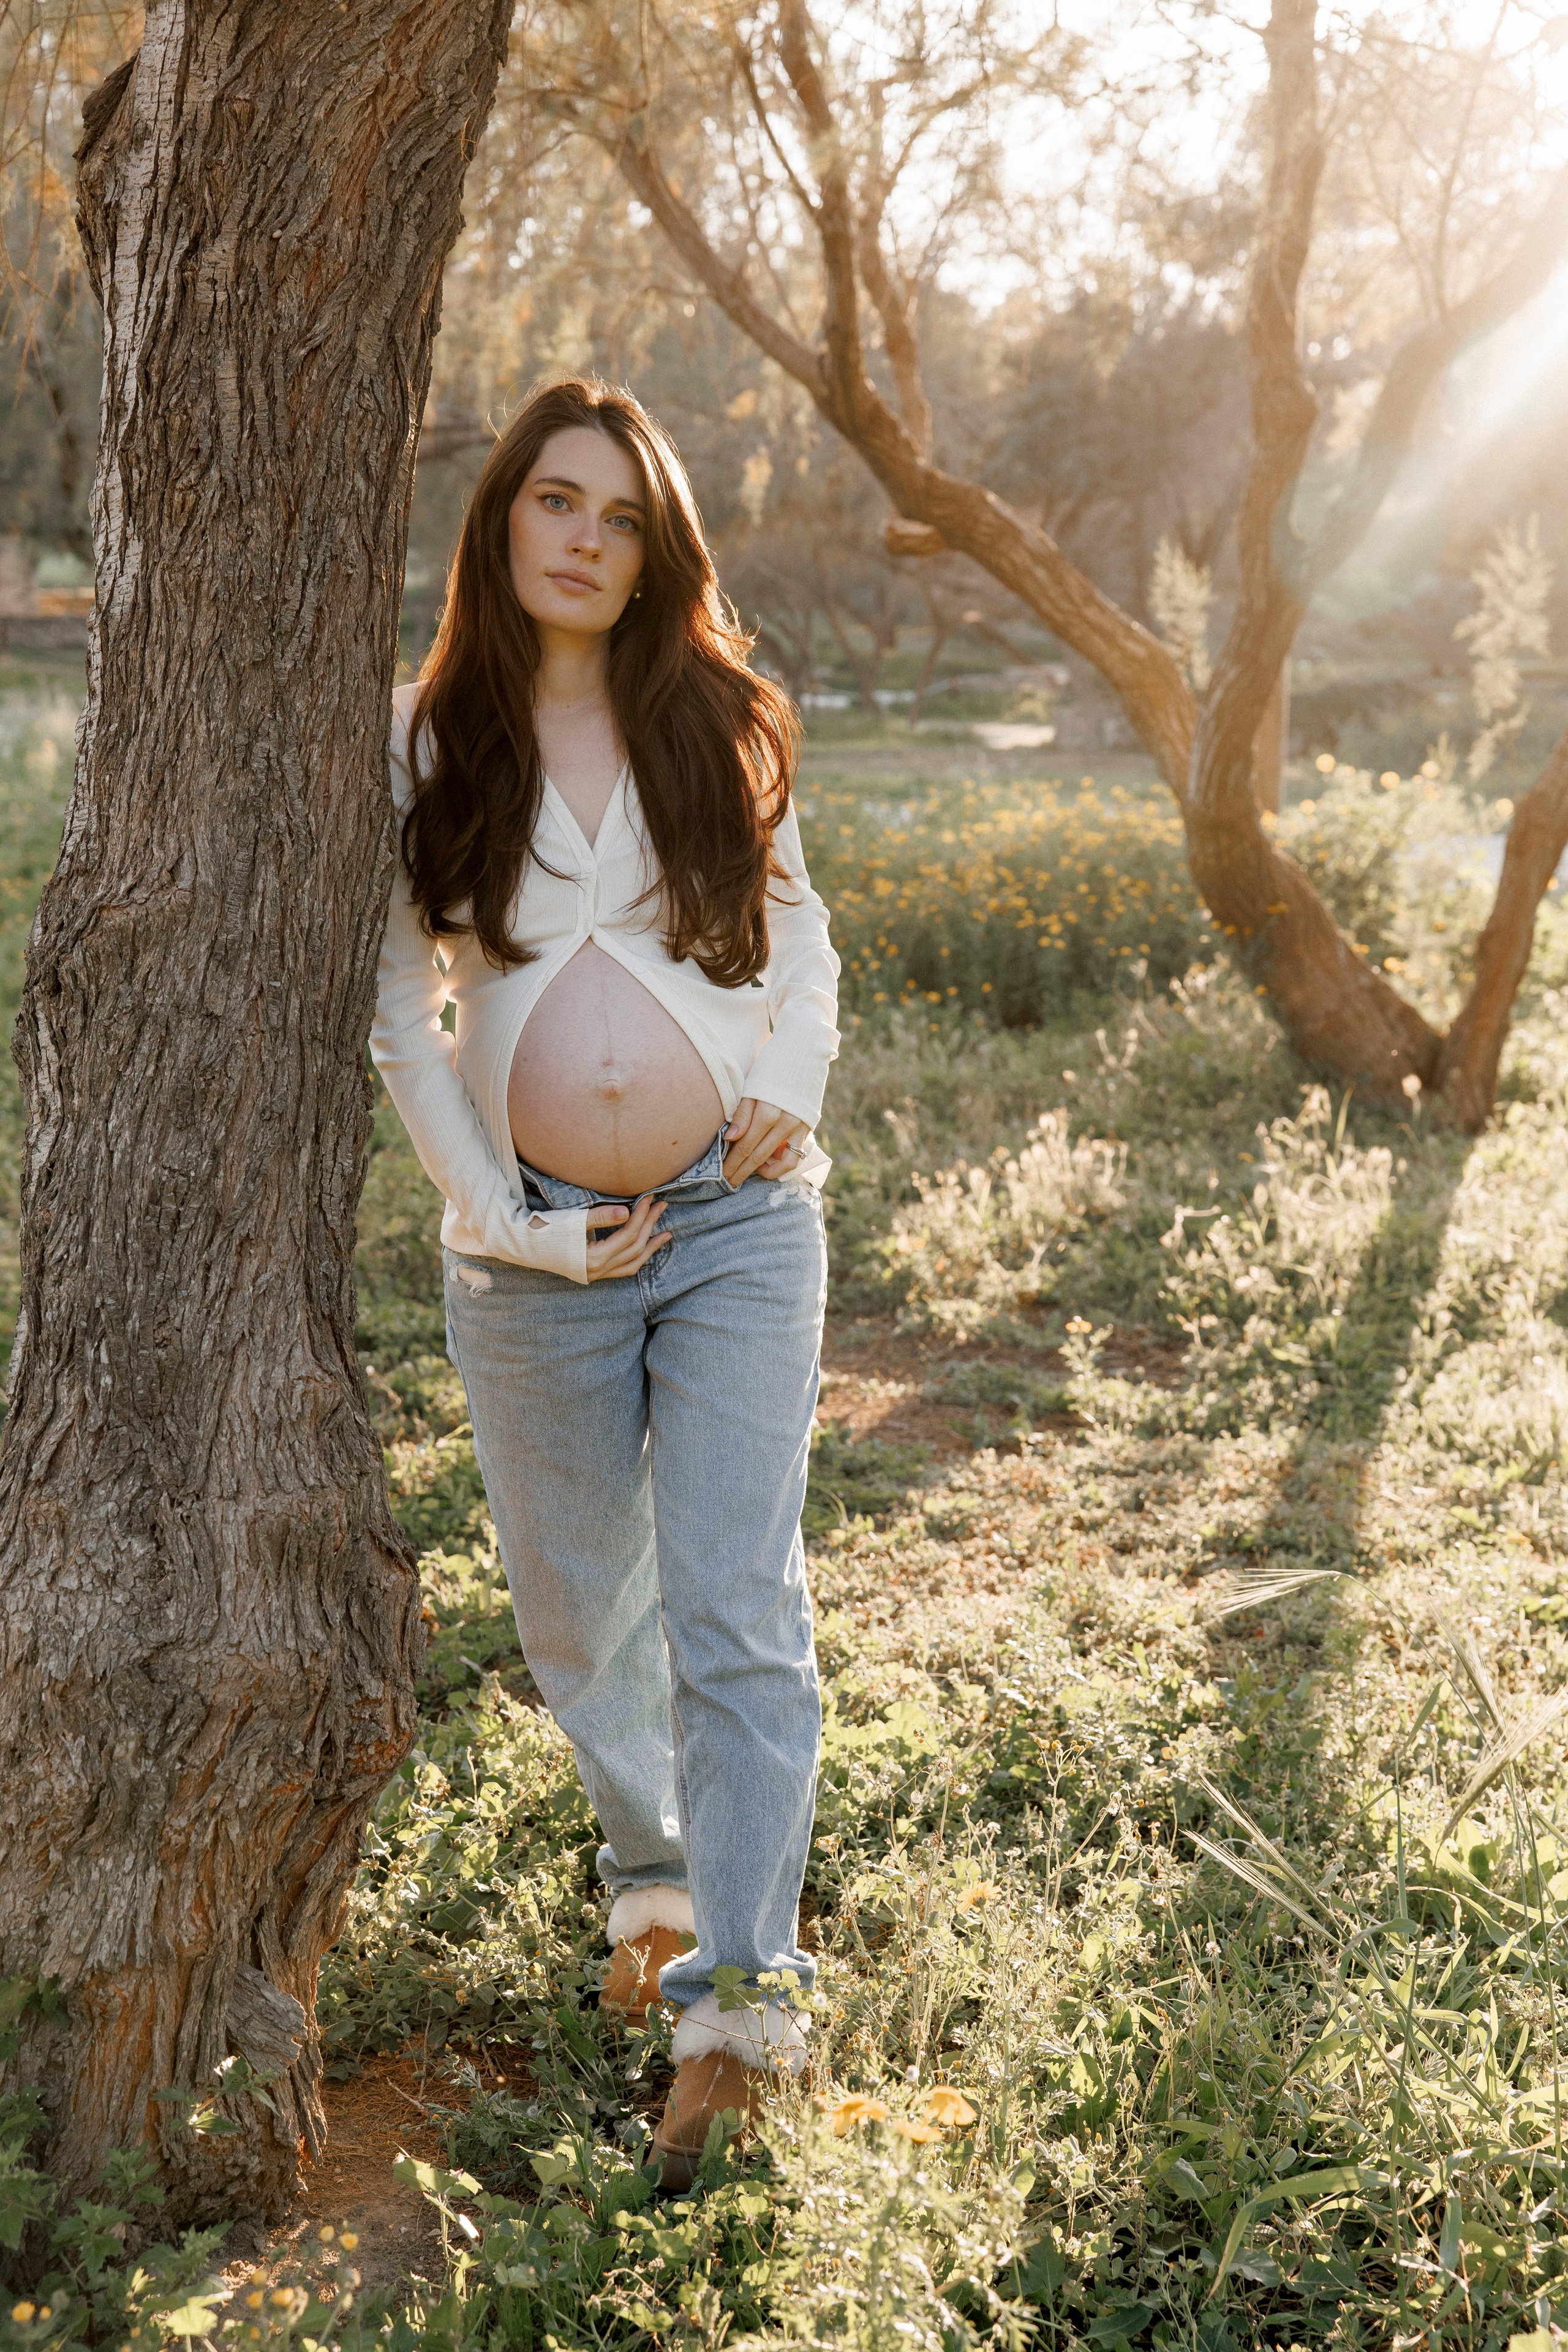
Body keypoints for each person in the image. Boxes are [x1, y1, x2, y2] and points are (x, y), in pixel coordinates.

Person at [371, 375, 839, 2187]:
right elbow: (399, 1016)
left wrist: (790, 1080)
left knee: (736, 1605)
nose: (583, 538)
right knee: (579, 1617)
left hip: (736, 1221)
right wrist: (511, 1218)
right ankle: (653, 1881)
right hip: (534, 1252)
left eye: (621, 517)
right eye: (555, 502)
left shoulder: (713, 717)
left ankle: (741, 2013)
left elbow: (798, 932)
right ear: (501, 520)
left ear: (657, 555)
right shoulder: (423, 740)